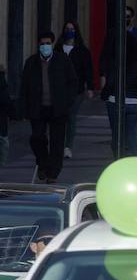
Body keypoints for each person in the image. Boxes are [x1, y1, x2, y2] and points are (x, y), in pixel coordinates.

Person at [22, 31, 78, 183]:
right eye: (42, 44)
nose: (45, 46)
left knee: (57, 142)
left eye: (48, 43)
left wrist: (67, 101)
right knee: (36, 138)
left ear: (53, 44)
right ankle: (42, 162)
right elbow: (24, 86)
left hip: (58, 108)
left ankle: (52, 174)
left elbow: (73, 82)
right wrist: (24, 107)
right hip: (38, 108)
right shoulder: (31, 62)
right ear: (38, 45)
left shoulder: (62, 60)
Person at [99, 22, 137, 157]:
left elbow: (110, 82)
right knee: (132, 134)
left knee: (116, 136)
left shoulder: (114, 60)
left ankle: (118, 161)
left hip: (115, 100)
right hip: (134, 101)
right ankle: (135, 161)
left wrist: (105, 94)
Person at [59, 21, 96, 159]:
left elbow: (88, 70)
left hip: (76, 90)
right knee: (60, 117)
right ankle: (60, 144)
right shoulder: (58, 49)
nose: (69, 31)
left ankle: (67, 146)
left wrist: (90, 87)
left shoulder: (82, 50)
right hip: (59, 90)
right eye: (67, 29)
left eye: (72, 29)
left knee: (71, 116)